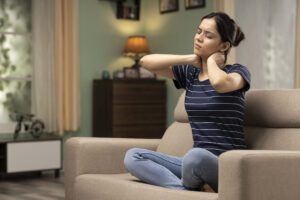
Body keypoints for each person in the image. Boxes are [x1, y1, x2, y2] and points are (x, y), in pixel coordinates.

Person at [123, 12, 251, 193]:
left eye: (208, 35)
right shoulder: (190, 74)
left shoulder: (237, 72)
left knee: (194, 157)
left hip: (225, 165)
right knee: (133, 156)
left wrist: (213, 61)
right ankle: (187, 191)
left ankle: (194, 186)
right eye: (199, 31)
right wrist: (188, 59)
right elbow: (146, 62)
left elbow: (219, 84)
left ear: (224, 45)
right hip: (191, 162)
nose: (199, 38)